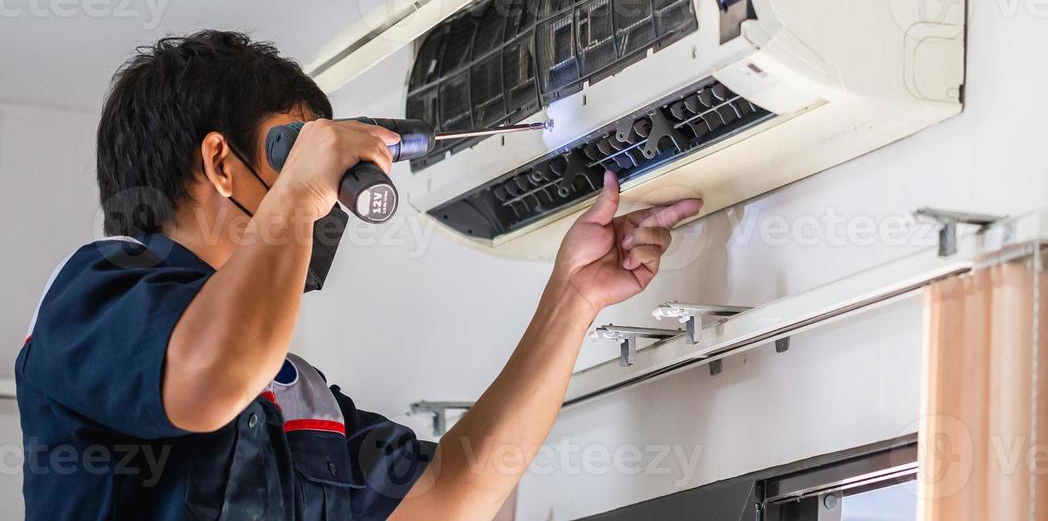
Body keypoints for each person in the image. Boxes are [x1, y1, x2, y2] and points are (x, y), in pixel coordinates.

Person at [15, 30, 701, 519]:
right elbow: (209, 380)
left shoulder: (294, 395)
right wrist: (297, 199)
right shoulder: (96, 293)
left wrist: (572, 298)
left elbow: (454, 495)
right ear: (222, 165)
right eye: (295, 152)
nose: (318, 194)